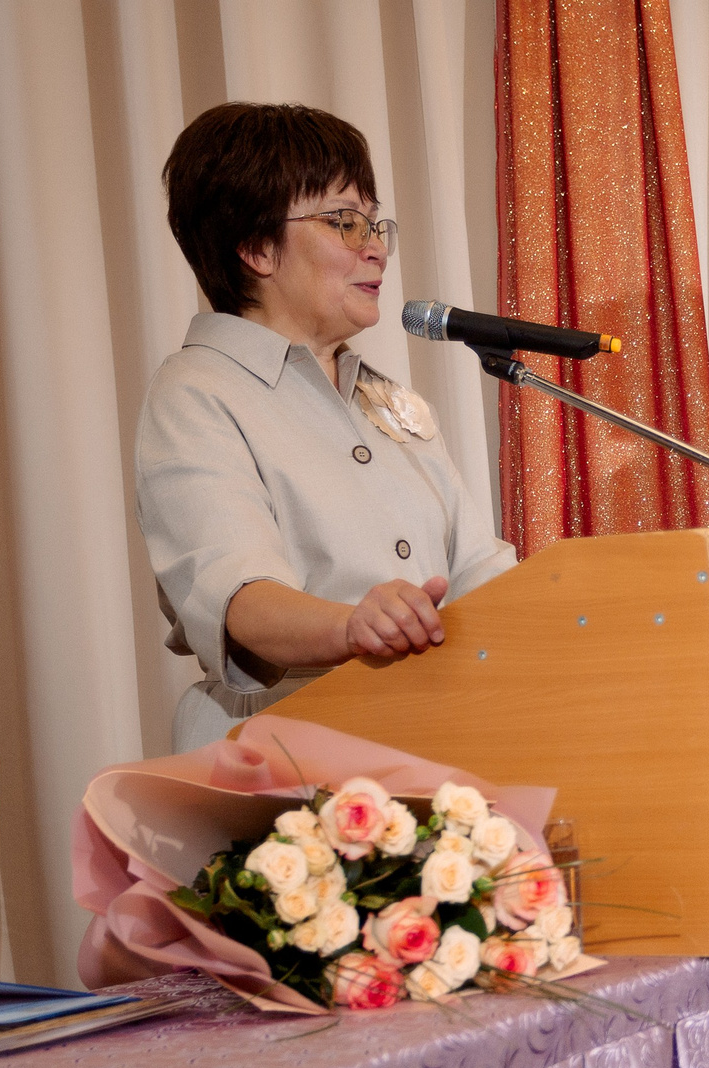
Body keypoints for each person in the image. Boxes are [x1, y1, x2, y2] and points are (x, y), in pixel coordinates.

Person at [138, 103, 516, 752]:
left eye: (374, 223)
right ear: (256, 246)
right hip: (280, 769)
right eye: (344, 222)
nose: (375, 247)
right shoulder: (197, 392)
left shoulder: (389, 400)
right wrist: (353, 626)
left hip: (436, 750)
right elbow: (238, 598)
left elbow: (480, 572)